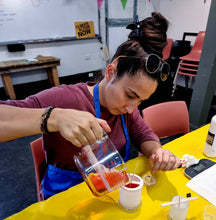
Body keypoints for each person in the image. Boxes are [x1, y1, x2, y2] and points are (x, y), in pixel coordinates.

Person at [0, 12, 180, 199]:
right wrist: (53, 117)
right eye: (129, 95)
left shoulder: (125, 110)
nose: (131, 108)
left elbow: (144, 134)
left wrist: (157, 152)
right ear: (111, 71)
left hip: (109, 191)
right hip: (65, 199)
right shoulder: (64, 98)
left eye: (141, 101)